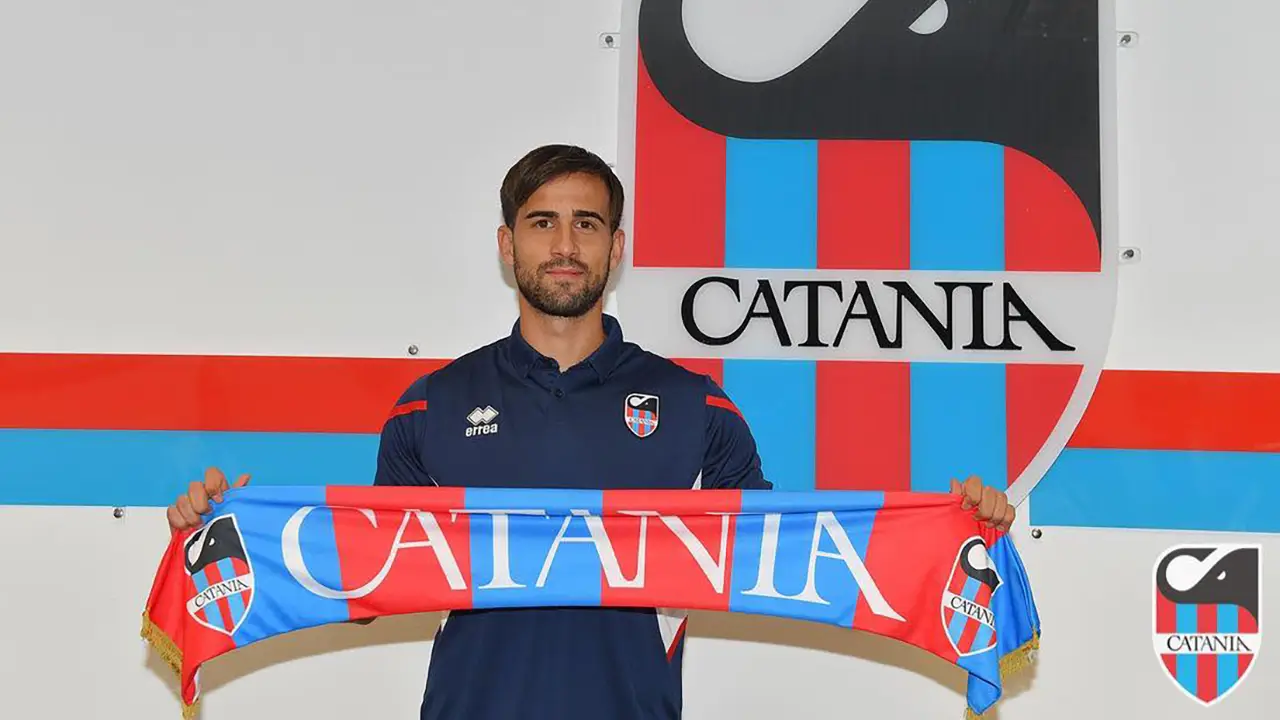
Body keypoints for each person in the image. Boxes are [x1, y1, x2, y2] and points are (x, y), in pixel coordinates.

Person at [167, 144, 1016, 719]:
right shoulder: (430, 405)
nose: (565, 244)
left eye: (587, 223)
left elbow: (794, 556)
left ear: (617, 248)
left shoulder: (696, 408)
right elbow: (365, 579)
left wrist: (957, 536)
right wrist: (224, 534)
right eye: (543, 222)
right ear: (508, 245)